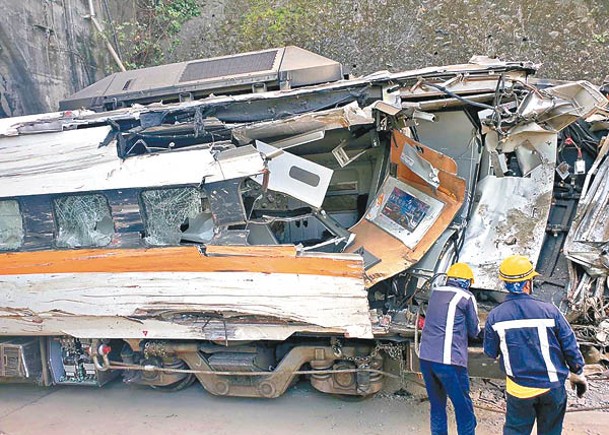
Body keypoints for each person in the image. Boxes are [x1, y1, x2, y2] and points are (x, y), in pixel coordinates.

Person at [484, 255, 587, 435]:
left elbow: (490, 353)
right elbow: (570, 345)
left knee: (516, 430)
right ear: (527, 284)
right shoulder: (550, 311)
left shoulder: (495, 316)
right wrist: (578, 372)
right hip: (552, 387)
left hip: (519, 388)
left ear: (505, 285)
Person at [419, 262, 480, 435]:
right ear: (467, 282)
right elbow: (474, 330)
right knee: (464, 409)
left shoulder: (436, 293)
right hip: (449, 362)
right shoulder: (466, 297)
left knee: (437, 407)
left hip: (426, 359)